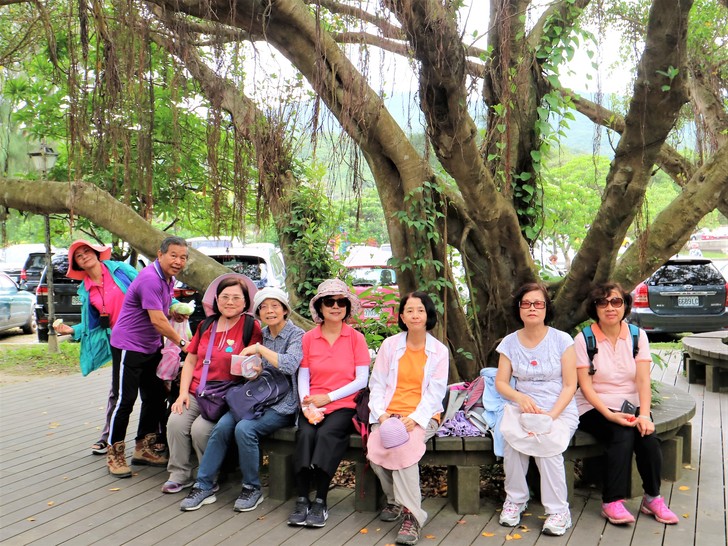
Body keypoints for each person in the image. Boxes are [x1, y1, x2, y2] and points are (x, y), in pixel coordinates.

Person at [179, 286, 303, 512]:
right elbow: (254, 370)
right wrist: (252, 371)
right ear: (258, 313)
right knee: (222, 427)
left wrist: (259, 350)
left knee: (244, 429)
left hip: (282, 405)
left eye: (275, 306)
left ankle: (251, 488)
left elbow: (290, 364)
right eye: (264, 307)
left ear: (285, 310)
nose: (269, 311)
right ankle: (203, 485)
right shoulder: (263, 334)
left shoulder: (297, 335)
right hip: (255, 399)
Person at [574, 282, 678, 525]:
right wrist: (610, 415)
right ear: (595, 308)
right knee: (620, 433)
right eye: (602, 302)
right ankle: (611, 501)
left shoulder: (637, 335)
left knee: (647, 437)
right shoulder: (584, 339)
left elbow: (643, 380)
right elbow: (586, 387)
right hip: (593, 406)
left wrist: (644, 415)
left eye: (616, 301)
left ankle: (652, 498)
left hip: (630, 404)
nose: (610, 307)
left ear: (625, 305)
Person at [163, 273, 262, 494]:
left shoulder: (250, 326)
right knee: (175, 422)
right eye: (225, 297)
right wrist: (183, 393)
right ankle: (179, 473)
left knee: (200, 430)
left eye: (236, 297)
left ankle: (207, 475)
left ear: (245, 302)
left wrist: (253, 370)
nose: (230, 302)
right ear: (216, 299)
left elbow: (255, 363)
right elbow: (190, 360)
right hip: (198, 391)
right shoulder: (206, 324)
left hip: (227, 396)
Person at [495, 282, 578, 536]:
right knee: (512, 443)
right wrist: (519, 397)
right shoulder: (509, 343)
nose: (532, 308)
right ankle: (515, 500)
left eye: (538, 303)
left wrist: (551, 415)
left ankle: (558, 511)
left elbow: (570, 385)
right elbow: (501, 383)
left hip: (559, 408)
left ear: (546, 308)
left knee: (547, 443)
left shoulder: (562, 340)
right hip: (523, 408)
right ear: (519, 308)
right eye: (526, 303)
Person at [366, 291, 448, 546]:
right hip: (388, 413)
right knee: (376, 454)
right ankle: (394, 501)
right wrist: (381, 414)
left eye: (420, 310)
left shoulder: (439, 351)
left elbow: (436, 392)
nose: (415, 315)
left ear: (428, 315)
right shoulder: (390, 346)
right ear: (402, 316)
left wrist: (415, 418)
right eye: (409, 310)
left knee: (404, 449)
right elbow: (377, 384)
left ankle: (412, 516)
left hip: (423, 415)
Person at [286, 278, 370, 528]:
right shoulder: (309, 338)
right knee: (305, 435)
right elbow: (303, 375)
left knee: (326, 435)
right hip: (312, 403)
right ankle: (303, 498)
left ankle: (321, 501)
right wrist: (306, 405)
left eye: (341, 302)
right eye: (329, 302)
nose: (335, 306)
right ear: (320, 307)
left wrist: (329, 397)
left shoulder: (356, 338)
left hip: (343, 405)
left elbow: (362, 379)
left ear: (347, 307)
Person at [106, 236, 191, 478]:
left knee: (154, 397)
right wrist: (182, 343)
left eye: (183, 257)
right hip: (128, 346)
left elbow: (161, 311)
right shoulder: (150, 278)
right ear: (160, 254)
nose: (178, 261)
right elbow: (157, 320)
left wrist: (173, 311)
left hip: (151, 346)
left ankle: (143, 448)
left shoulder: (168, 279)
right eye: (173, 255)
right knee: (125, 401)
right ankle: (114, 453)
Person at [54, 240, 139, 455]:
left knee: (153, 390)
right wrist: (71, 330)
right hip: (120, 342)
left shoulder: (120, 270)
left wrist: (174, 306)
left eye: (87, 251)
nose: (84, 256)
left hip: (145, 335)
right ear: (78, 264)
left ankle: (153, 438)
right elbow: (92, 324)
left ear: (96, 253)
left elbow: (149, 290)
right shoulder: (86, 290)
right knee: (118, 393)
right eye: (79, 256)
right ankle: (108, 438)